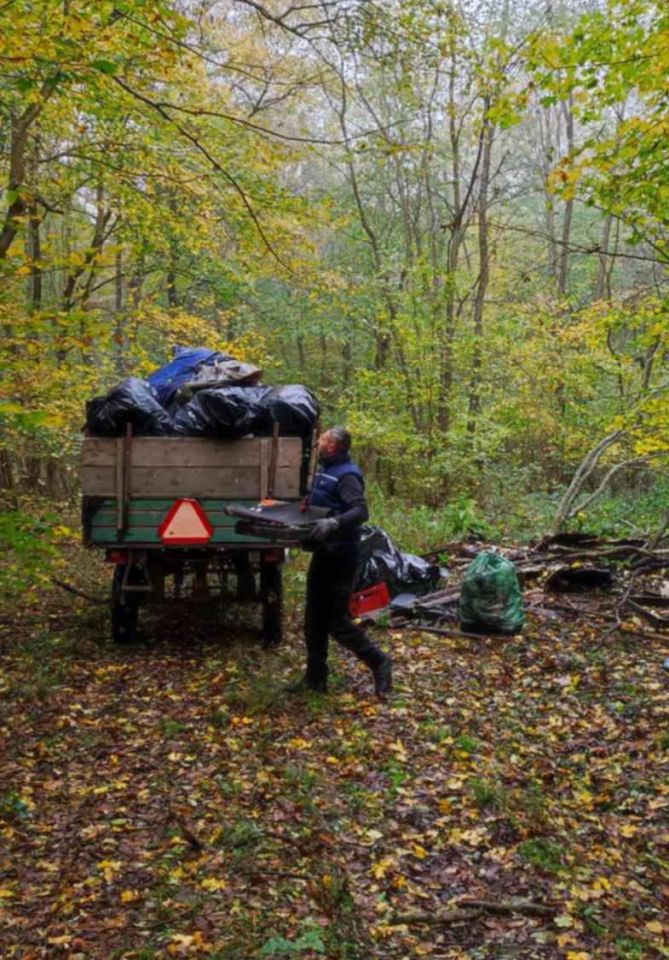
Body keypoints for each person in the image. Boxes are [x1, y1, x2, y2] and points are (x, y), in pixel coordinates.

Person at [287, 426, 392, 697]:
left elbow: (360, 511)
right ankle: (315, 679)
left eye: (323, 439)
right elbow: (326, 500)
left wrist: (333, 522)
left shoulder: (347, 475)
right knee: (313, 619)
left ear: (332, 446)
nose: (319, 441)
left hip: (342, 557)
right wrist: (307, 504)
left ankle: (379, 662)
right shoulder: (324, 471)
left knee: (336, 621)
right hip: (324, 553)